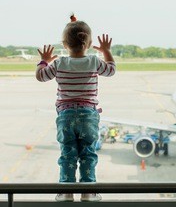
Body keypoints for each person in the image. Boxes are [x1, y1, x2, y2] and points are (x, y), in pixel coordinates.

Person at [36, 14, 116, 202]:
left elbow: (40, 76)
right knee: (88, 153)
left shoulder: (59, 63)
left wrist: (44, 60)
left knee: (68, 154)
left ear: (64, 44)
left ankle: (66, 192)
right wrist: (106, 51)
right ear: (88, 44)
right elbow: (111, 70)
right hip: (88, 115)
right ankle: (88, 192)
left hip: (66, 115)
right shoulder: (94, 61)